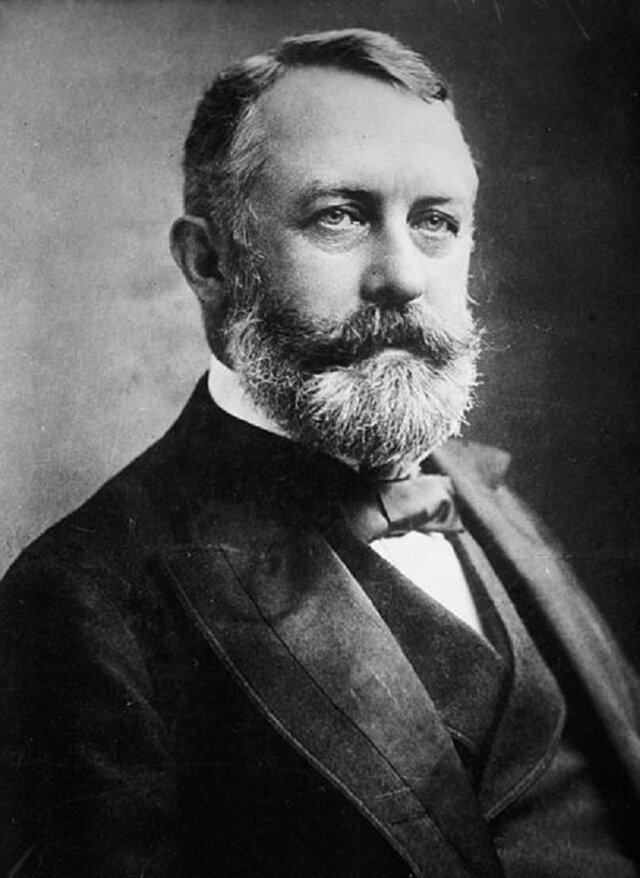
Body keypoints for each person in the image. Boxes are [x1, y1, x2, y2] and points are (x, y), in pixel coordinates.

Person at [1, 27, 639, 878]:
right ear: (210, 263)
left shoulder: (490, 494)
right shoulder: (83, 599)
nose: (404, 277)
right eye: (340, 216)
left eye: (437, 222)